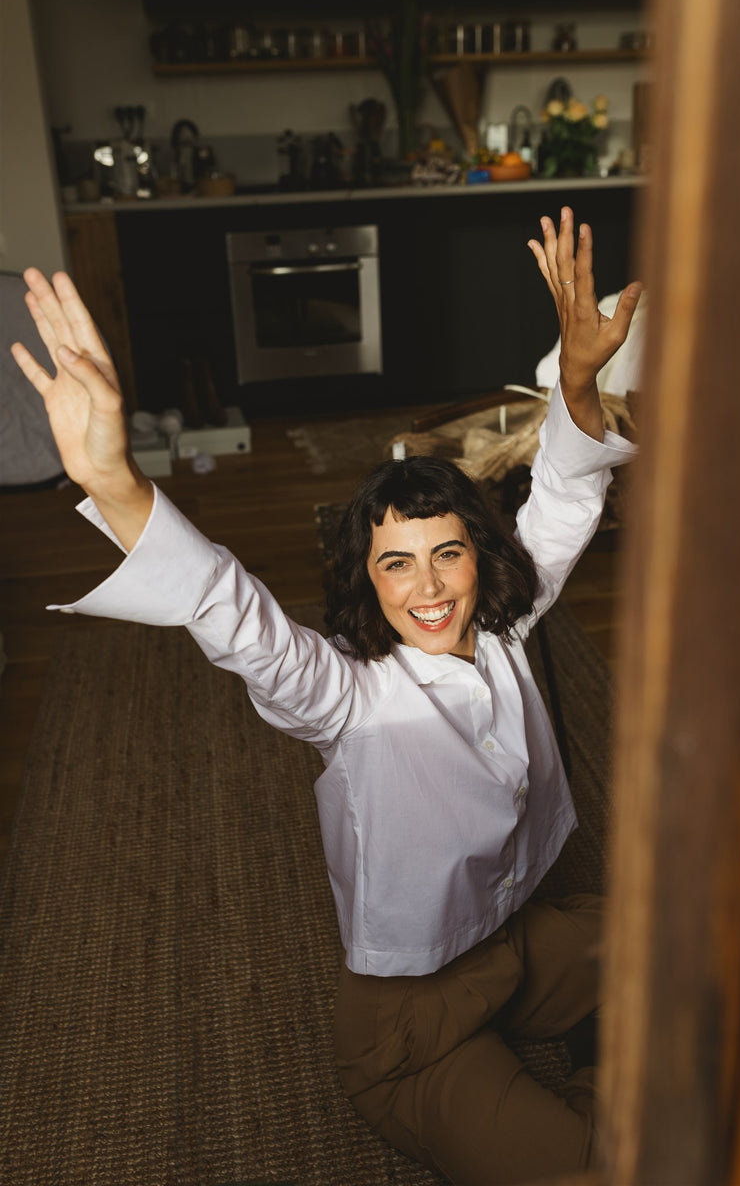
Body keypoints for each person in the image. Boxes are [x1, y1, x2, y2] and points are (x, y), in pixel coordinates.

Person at [11, 207, 641, 1186]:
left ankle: (581, 1055)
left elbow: (560, 496)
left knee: (680, 949)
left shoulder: (509, 623)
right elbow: (233, 612)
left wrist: (573, 377)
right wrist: (114, 478)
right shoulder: (349, 700)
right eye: (397, 566)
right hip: (410, 1031)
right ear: (369, 582)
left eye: (446, 555)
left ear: (481, 558)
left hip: (512, 949)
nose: (427, 589)